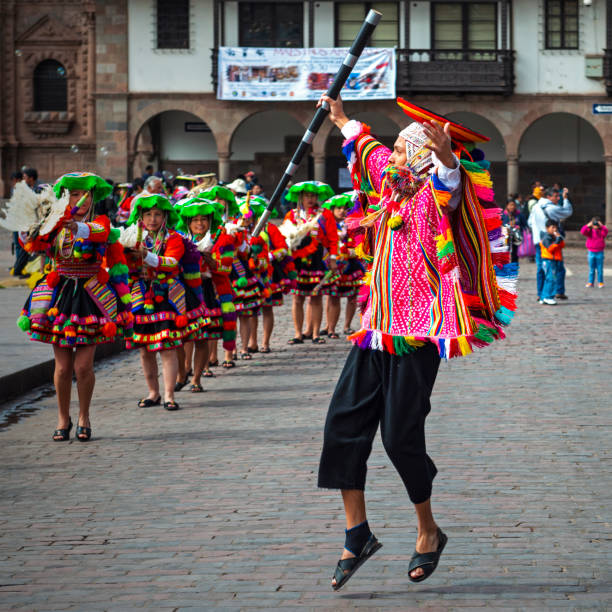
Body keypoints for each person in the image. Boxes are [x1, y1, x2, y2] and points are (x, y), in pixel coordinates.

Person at [316, 94, 516, 590]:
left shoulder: (431, 198)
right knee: (341, 427)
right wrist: (340, 116)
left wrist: (447, 156)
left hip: (419, 335)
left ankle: (428, 531)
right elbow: (367, 149)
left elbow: (451, 183)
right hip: (374, 330)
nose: (394, 159)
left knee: (399, 438)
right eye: (399, 153)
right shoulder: (391, 187)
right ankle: (356, 532)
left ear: (421, 160)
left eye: (405, 153)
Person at [16, 172, 132, 441]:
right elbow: (34, 245)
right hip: (60, 295)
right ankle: (62, 417)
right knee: (62, 367)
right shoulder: (54, 222)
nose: (79, 199)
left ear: (92, 197)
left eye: (83, 194)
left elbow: (101, 234)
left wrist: (74, 227)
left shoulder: (100, 222)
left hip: (90, 296)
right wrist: (28, 228)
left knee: (83, 366)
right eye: (73, 194)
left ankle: (84, 416)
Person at [122, 193, 208, 411]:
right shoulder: (132, 237)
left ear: (165, 216)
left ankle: (169, 394)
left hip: (169, 296)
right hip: (141, 295)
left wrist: (145, 256)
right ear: (140, 216)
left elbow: (170, 263)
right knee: (144, 349)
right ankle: (153, 392)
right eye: (148, 214)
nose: (152, 219)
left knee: (167, 346)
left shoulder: (174, 239)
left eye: (157, 214)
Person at [175, 197, 225, 390]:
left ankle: (196, 378)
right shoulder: (180, 239)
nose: (200, 224)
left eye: (203, 219)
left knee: (202, 336)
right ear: (188, 222)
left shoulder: (218, 240)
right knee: (181, 336)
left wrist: (211, 261)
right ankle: (182, 373)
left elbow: (224, 268)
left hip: (206, 289)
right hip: (184, 290)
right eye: (195, 220)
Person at [280, 181, 338, 345]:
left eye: (313, 195)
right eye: (307, 195)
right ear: (300, 197)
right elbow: (284, 237)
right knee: (297, 298)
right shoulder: (292, 215)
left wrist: (333, 258)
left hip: (317, 261)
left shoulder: (325, 214)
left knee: (316, 297)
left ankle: (314, 333)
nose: (310, 199)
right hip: (297, 261)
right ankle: (298, 333)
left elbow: (333, 239)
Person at [321, 193, 365, 338]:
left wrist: (349, 251)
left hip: (351, 266)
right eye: (338, 208)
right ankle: (331, 328)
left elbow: (359, 244)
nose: (341, 211)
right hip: (334, 265)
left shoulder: (353, 225)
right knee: (333, 297)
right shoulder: (327, 226)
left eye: (345, 208)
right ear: (332, 210)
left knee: (352, 297)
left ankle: (347, 326)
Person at [527, 187, 572, 302]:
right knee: (556, 269)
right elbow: (567, 212)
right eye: (556, 196)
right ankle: (556, 292)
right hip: (552, 242)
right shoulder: (551, 208)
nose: (558, 198)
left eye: (559, 196)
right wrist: (565, 199)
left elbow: (530, 222)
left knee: (541, 269)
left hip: (538, 241)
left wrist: (538, 232)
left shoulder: (536, 207)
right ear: (548, 197)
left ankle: (541, 294)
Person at [539, 219, 564, 305]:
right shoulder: (546, 237)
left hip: (553, 260)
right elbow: (550, 249)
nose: (554, 229)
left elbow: (561, 246)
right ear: (547, 228)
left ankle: (543, 297)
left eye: (555, 227)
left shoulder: (553, 236)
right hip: (549, 261)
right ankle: (548, 297)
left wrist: (559, 239)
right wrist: (557, 241)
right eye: (552, 227)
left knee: (548, 279)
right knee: (551, 279)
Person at [581, 217, 607, 288]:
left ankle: (600, 282)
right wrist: (587, 225)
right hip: (591, 252)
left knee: (600, 269)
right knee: (591, 269)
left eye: (596, 224)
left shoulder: (601, 232)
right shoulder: (589, 231)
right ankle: (590, 282)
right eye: (594, 224)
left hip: (599, 252)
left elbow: (606, 232)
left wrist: (602, 226)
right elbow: (583, 231)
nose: (595, 226)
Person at [501, 197, 526, 263]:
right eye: (510, 205)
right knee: (505, 256)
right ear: (507, 205)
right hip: (506, 240)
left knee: (515, 256)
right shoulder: (503, 215)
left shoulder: (520, 215)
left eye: (514, 205)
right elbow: (499, 226)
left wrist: (519, 227)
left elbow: (525, 226)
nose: (512, 207)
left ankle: (514, 271)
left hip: (516, 240)